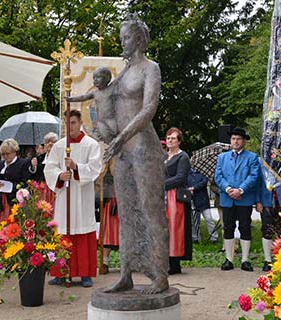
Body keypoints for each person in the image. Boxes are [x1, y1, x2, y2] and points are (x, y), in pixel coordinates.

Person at [101, 14, 169, 294]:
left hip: (142, 147)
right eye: (120, 38)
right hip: (122, 152)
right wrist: (105, 129)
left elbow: (148, 109)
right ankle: (126, 271)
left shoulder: (149, 68)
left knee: (151, 210)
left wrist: (122, 136)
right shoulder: (123, 72)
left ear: (139, 39)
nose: (122, 42)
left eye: (126, 37)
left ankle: (160, 273)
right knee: (127, 212)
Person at [44, 109, 102, 288]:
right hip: (64, 197)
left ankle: (85, 274)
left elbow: (95, 168)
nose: (70, 127)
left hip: (82, 195)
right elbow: (49, 168)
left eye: (74, 123)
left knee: (83, 230)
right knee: (63, 231)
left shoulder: (91, 144)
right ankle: (61, 273)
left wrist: (76, 167)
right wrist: (60, 175)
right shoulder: (60, 145)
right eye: (67, 124)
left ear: (81, 122)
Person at [215, 127, 260, 272]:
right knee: (228, 227)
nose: (236, 141)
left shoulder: (252, 157)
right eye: (233, 138)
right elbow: (218, 176)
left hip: (244, 197)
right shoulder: (222, 157)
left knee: (245, 227)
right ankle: (229, 259)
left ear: (244, 141)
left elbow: (254, 176)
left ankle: (245, 260)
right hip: (227, 198)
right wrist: (228, 189)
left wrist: (240, 190)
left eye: (239, 139)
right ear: (230, 140)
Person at [164, 127, 192, 274]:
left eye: (173, 138)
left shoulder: (183, 157)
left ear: (179, 141)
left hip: (175, 196)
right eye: (168, 138)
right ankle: (164, 260)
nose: (170, 140)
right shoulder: (163, 156)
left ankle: (174, 263)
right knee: (163, 228)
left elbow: (181, 177)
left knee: (175, 228)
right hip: (161, 196)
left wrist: (162, 184)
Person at [66, 67, 117, 144]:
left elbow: (119, 80)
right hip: (100, 121)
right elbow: (84, 97)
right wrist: (71, 99)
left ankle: (113, 145)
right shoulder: (95, 93)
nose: (95, 80)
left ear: (106, 78)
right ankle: (98, 136)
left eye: (98, 77)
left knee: (114, 134)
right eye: (94, 78)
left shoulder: (111, 89)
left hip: (110, 119)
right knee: (104, 134)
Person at [0, 138, 38, 223]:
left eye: (7, 154)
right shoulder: (0, 164)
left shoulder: (23, 163)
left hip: (16, 199)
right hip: (3, 199)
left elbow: (25, 181)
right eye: (3, 154)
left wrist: (12, 187)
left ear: (14, 152)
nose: (5, 156)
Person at [255, 165, 281, 272]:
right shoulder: (261, 163)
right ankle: (267, 260)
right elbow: (257, 183)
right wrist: (258, 201)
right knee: (267, 229)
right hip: (266, 201)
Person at [188, 168, 218, 244]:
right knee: (194, 222)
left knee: (209, 219)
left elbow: (204, 182)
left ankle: (214, 238)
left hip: (203, 201)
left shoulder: (203, 172)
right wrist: (188, 190)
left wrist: (193, 188)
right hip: (192, 201)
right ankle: (195, 238)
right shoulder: (186, 174)